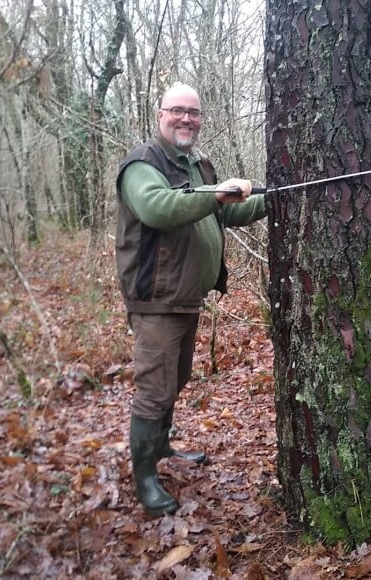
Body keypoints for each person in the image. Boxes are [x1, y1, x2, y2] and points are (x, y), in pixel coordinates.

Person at [115, 83, 266, 516]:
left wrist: (267, 200)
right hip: (156, 300)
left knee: (174, 382)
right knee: (155, 390)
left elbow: (222, 213)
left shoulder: (197, 164)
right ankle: (144, 477)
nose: (186, 119)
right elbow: (158, 209)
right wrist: (217, 193)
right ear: (159, 114)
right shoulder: (143, 164)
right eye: (177, 111)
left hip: (186, 297)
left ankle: (161, 448)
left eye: (194, 113)